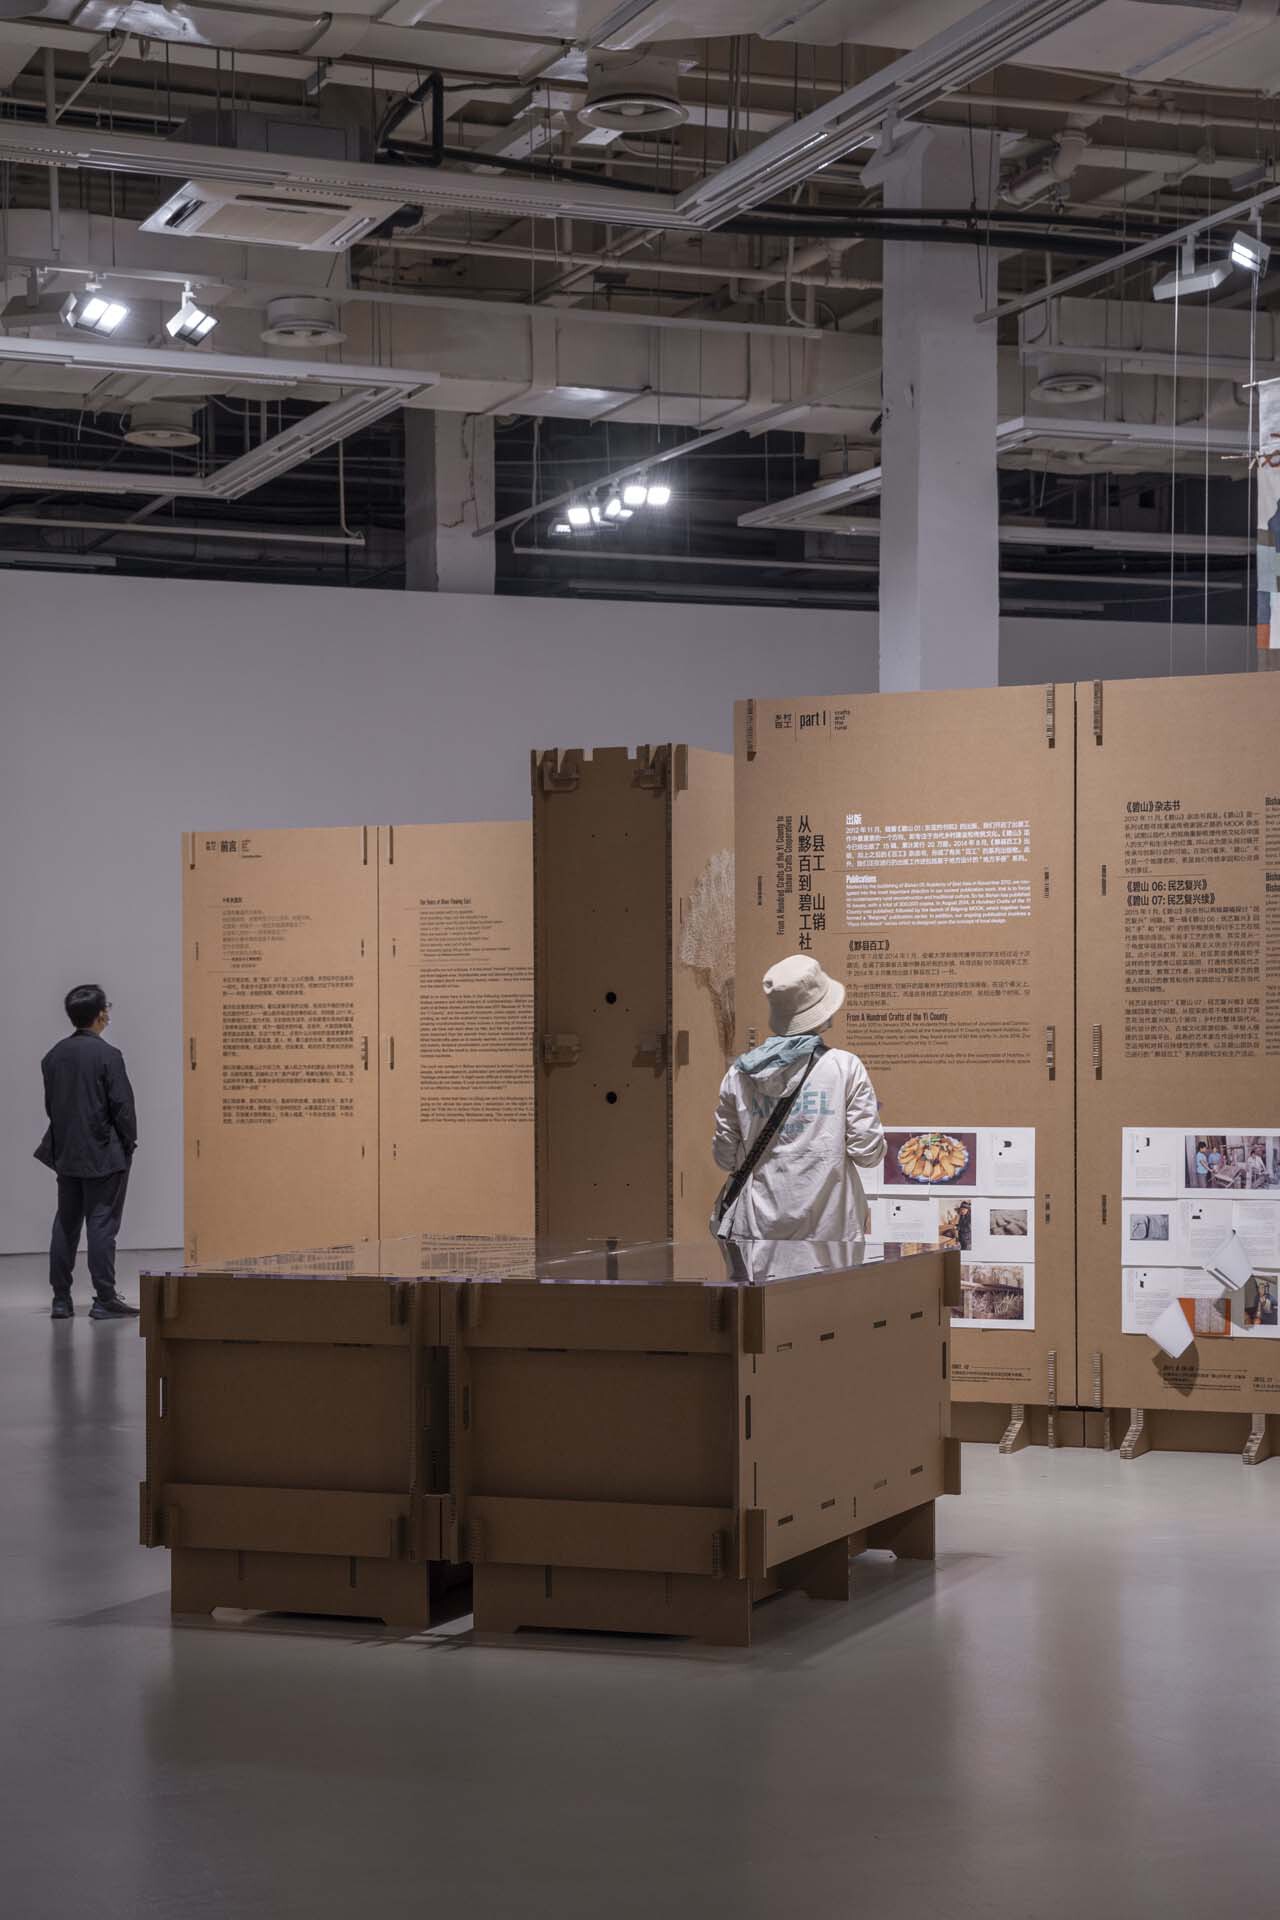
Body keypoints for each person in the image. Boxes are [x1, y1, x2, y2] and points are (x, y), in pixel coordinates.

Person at [712, 954, 884, 1246]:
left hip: (757, 1229)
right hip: (832, 1230)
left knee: (762, 1294)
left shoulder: (739, 1075)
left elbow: (725, 1157)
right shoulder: (844, 1067)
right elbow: (868, 1153)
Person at [35, 985, 140, 1321]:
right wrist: (129, 1143)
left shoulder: (53, 1056)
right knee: (101, 1225)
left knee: (65, 1224)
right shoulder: (109, 1056)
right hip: (103, 1154)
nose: (108, 1012)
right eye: (106, 1007)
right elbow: (122, 1108)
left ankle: (61, 1300)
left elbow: (52, 1107)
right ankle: (104, 1298)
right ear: (100, 1016)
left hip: (66, 1153)